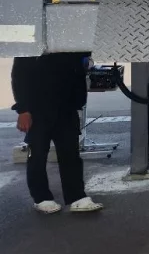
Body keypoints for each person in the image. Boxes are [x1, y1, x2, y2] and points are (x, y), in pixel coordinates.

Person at [12, 53, 103, 214]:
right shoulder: (34, 47)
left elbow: (80, 68)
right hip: (37, 109)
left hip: (66, 107)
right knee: (37, 154)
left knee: (71, 154)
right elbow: (19, 76)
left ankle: (76, 197)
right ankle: (41, 198)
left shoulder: (71, 45)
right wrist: (23, 110)